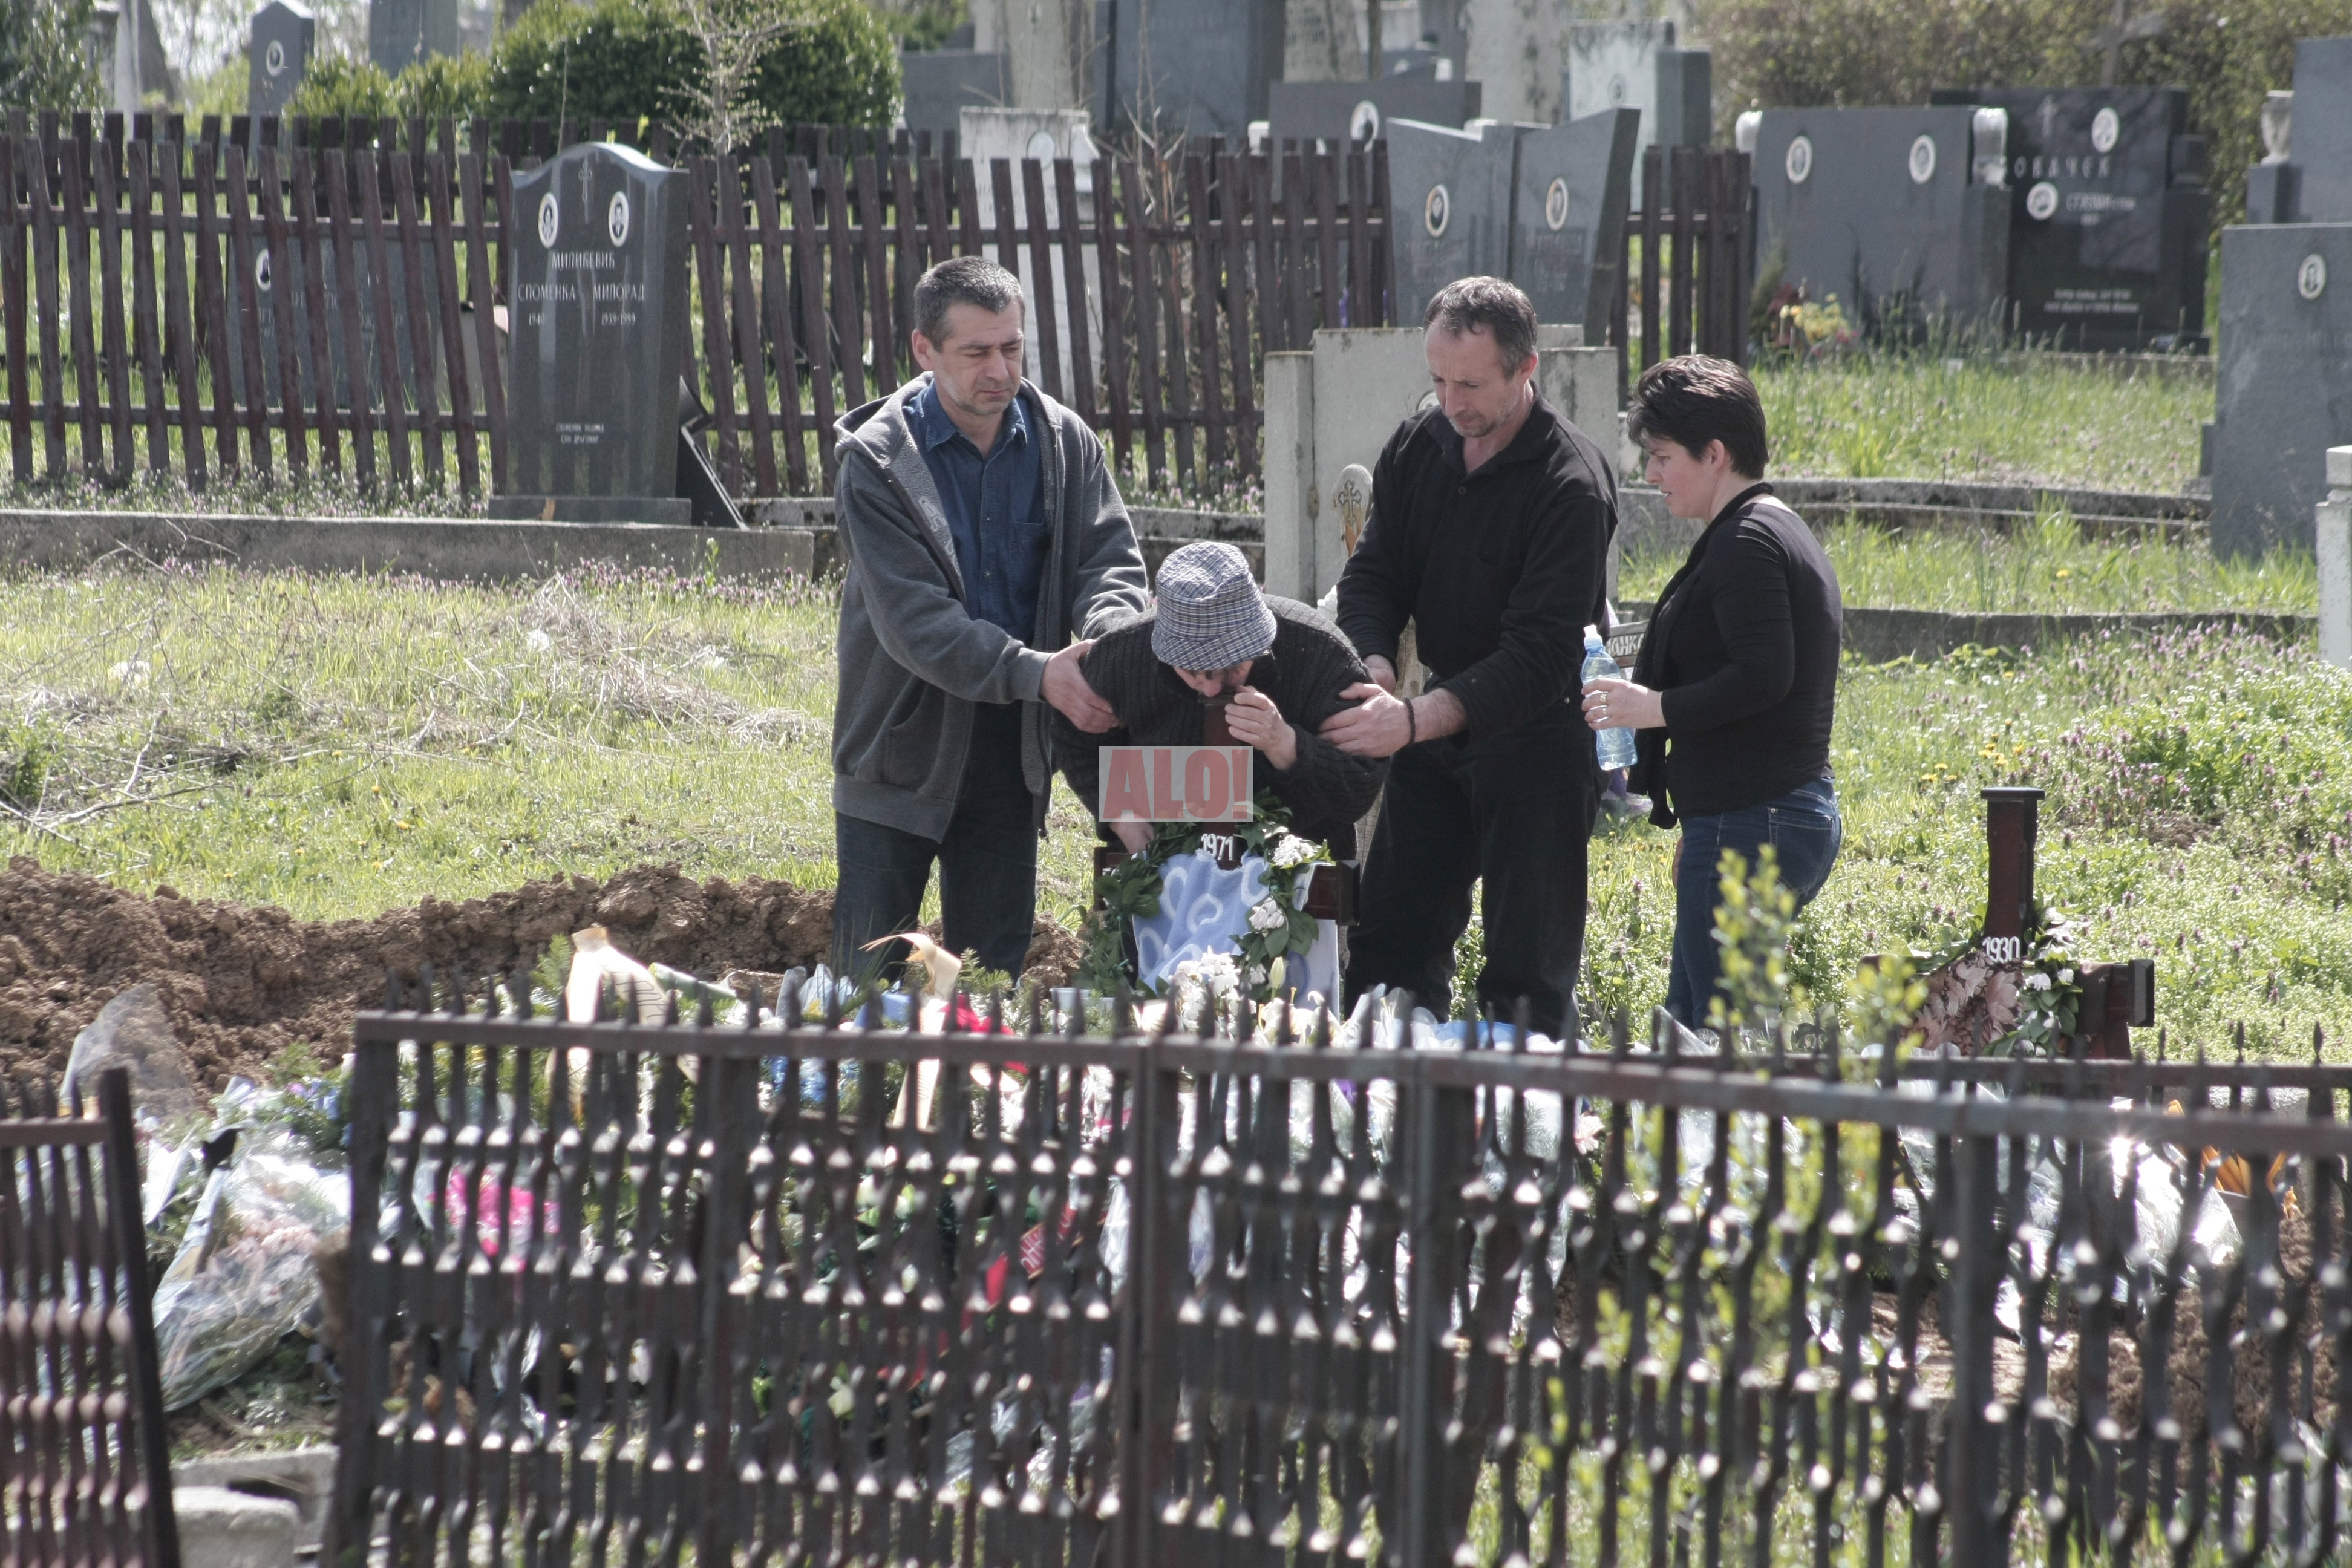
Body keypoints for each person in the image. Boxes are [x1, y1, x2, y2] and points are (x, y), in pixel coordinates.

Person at [829, 255, 1149, 984]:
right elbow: (916, 624)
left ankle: (967, 1068)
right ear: (925, 349)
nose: (1000, 371)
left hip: (1013, 759)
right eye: (976, 353)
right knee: (864, 992)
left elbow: (1109, 563)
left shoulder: (1065, 445)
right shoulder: (877, 464)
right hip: (896, 757)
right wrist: (1039, 673)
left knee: (987, 989)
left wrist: (1109, 642)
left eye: (1012, 347)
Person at [1322, 276, 1618, 1036]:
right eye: (1439, 381)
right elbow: (1375, 573)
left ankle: (1525, 1100)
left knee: (1526, 976)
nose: (1451, 404)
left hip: (1541, 735)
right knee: (1387, 950)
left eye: (1472, 386)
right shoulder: (1418, 446)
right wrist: (1376, 664)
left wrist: (1412, 720)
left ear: (1527, 369)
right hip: (1436, 716)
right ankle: (1384, 1088)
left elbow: (1539, 655)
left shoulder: (1570, 484)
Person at [1578, 354, 1844, 1027]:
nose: (1651, 474)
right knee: (1692, 1025)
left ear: (1716, 454)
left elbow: (1765, 674)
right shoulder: (1767, 527)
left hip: (1753, 819)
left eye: (1663, 457)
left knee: (1718, 1038)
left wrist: (1653, 708)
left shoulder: (1746, 542)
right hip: (1754, 816)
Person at [1054, 541, 1388, 855]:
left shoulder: (1320, 654)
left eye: (1231, 668)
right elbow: (1073, 736)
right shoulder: (1125, 654)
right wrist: (1119, 813)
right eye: (1191, 671)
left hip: (1298, 872)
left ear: (1259, 641)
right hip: (1161, 869)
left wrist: (1286, 744)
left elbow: (1361, 786)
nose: (1212, 690)